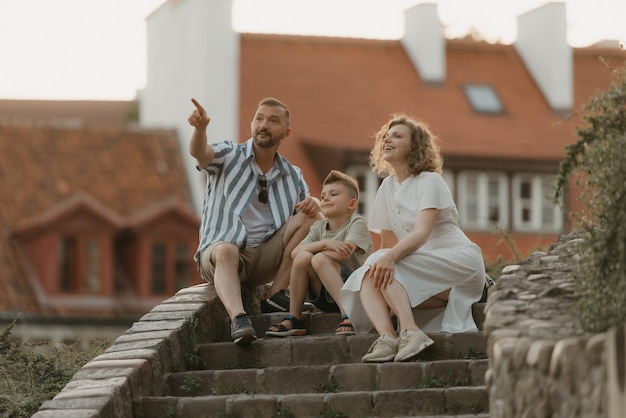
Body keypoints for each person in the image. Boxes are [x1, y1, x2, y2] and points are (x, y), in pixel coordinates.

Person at [339, 114, 487, 363]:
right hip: (423, 266)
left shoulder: (430, 180)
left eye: (398, 135)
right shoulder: (387, 186)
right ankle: (388, 338)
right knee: (369, 273)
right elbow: (387, 244)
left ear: (415, 146)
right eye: (387, 134)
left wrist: (389, 258)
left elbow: (421, 234)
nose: (388, 138)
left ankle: (410, 330)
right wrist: (382, 266)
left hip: (457, 260)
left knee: (382, 262)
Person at [187, 97, 321, 344]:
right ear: (252, 124)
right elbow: (200, 153)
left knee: (314, 218)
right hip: (221, 255)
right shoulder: (229, 154)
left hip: (264, 257)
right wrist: (200, 128)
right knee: (227, 250)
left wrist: (316, 202)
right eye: (259, 118)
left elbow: (313, 219)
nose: (264, 125)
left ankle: (276, 294)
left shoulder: (293, 175)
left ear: (286, 132)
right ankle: (239, 319)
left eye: (273, 120)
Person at [265, 170, 373, 338]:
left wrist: (316, 249)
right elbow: (295, 252)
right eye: (323, 196)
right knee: (303, 258)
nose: (325, 198)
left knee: (318, 258)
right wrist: (325, 243)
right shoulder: (318, 227)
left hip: (355, 291)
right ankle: (294, 318)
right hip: (324, 296)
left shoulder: (356, 222)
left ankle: (349, 314)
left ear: (351, 204)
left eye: (333, 194)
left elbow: (342, 254)